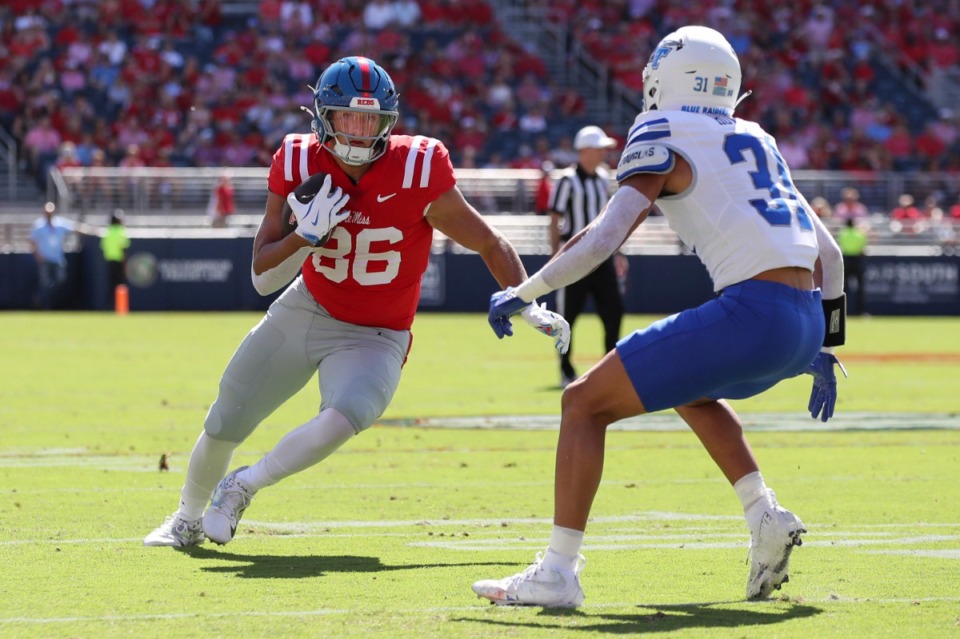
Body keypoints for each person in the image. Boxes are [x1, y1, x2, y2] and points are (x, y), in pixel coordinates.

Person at [474, 26, 847, 607]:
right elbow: (831, 255)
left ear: (668, 78)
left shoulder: (662, 128)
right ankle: (764, 514)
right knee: (688, 389)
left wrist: (526, 289)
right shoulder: (759, 137)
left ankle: (557, 572)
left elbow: (603, 239)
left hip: (752, 313)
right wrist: (827, 342)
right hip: (802, 323)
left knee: (582, 403)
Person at [143, 56, 570, 548]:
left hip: (378, 332)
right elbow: (263, 276)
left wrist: (526, 297)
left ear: (388, 122)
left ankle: (243, 485)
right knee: (225, 419)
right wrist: (304, 236)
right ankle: (187, 519)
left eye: (371, 120)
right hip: (308, 306)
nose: (360, 131)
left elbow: (490, 242)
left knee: (347, 414)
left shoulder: (419, 166)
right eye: (349, 117)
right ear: (324, 116)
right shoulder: (298, 159)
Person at [547, 125, 626, 387]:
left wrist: (618, 251)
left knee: (613, 310)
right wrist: (555, 256)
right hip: (574, 257)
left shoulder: (603, 178)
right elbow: (555, 219)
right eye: (600, 148)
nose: (604, 152)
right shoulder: (567, 181)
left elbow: (610, 219)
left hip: (601, 257)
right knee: (567, 316)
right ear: (586, 151)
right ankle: (565, 369)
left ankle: (609, 366)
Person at [29, 201, 73, 310]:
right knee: (44, 283)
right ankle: (43, 303)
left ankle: (44, 299)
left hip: (57, 259)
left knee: (59, 279)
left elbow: (74, 229)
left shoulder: (60, 223)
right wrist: (37, 255)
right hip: (45, 258)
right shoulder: (39, 226)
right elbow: (32, 241)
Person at [837, 218, 868, 315]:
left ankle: (845, 310)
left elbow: (841, 244)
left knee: (845, 287)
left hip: (846, 260)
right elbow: (863, 247)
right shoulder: (859, 233)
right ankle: (860, 311)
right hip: (857, 260)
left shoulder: (843, 233)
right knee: (860, 287)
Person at [100, 208, 130, 301]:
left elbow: (103, 246)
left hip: (109, 261)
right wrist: (125, 264)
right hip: (119, 261)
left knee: (111, 283)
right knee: (120, 284)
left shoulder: (107, 232)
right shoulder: (121, 232)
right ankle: (119, 305)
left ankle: (110, 304)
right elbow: (123, 248)